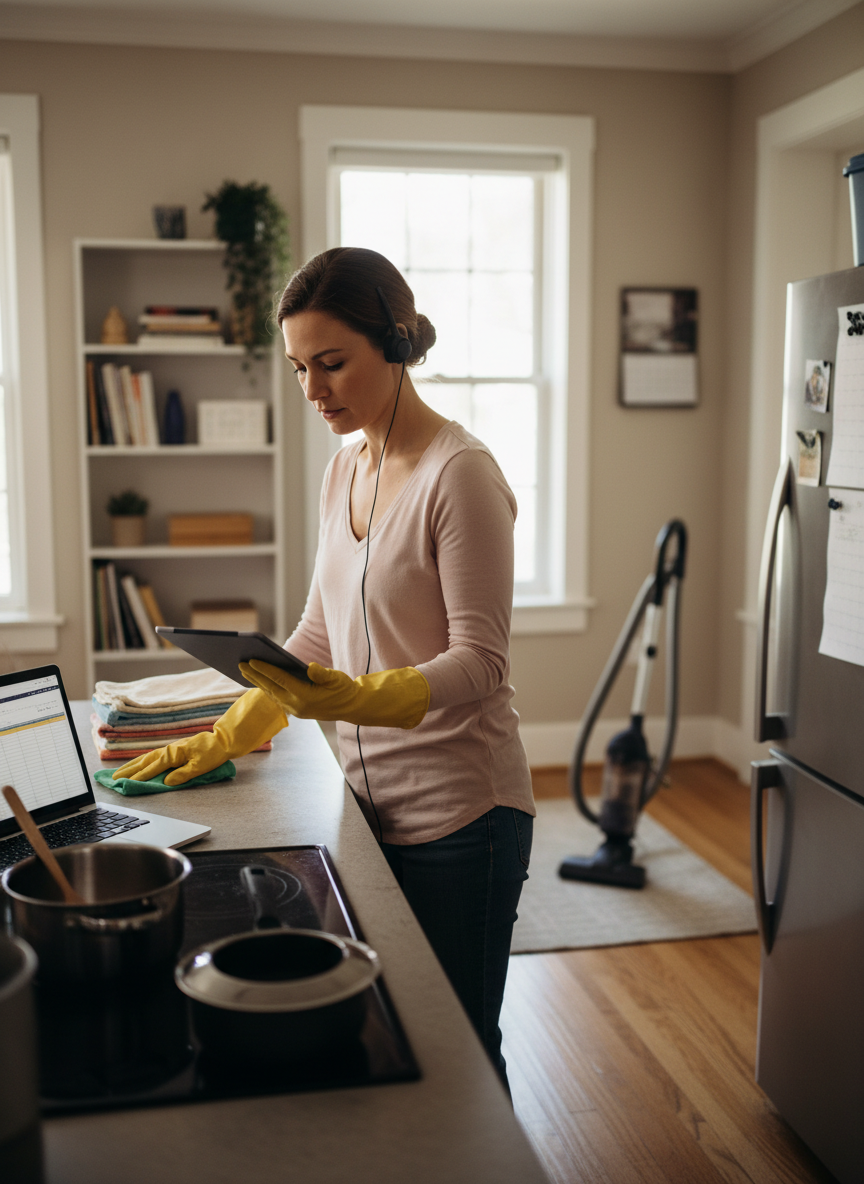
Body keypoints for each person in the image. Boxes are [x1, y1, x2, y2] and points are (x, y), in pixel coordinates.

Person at [114, 247, 535, 1089]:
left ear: (397, 342)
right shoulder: (345, 467)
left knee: (459, 1047)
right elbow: (316, 630)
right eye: (302, 368)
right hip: (363, 801)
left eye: (333, 364)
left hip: (464, 816)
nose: (314, 391)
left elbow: (482, 662)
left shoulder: (461, 476)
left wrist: (360, 695)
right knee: (393, 1029)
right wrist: (231, 728)